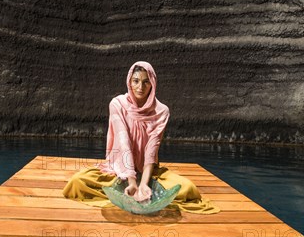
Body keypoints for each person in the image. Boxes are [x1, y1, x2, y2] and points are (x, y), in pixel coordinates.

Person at [63, 61, 219, 214]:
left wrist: (144, 184)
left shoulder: (161, 111)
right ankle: (129, 192)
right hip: (120, 169)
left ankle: (133, 194)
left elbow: (152, 150)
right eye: (136, 81)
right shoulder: (117, 104)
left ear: (152, 84)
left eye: (146, 82)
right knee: (77, 183)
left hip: (148, 170)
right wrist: (131, 181)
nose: (140, 87)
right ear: (129, 82)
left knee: (189, 189)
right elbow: (124, 144)